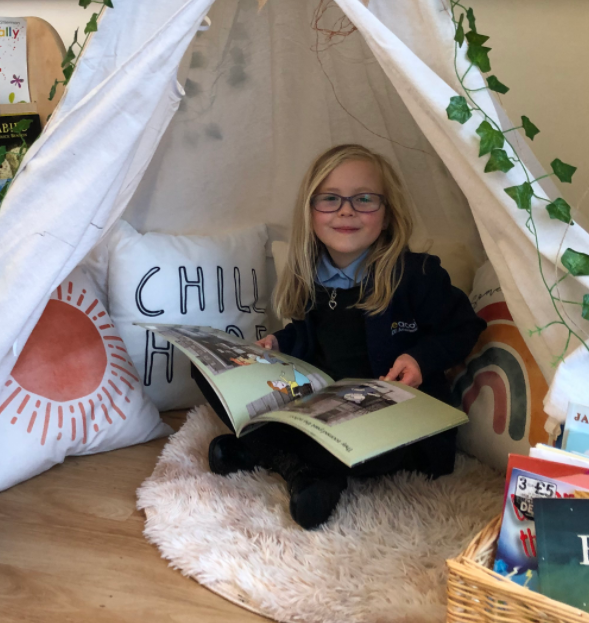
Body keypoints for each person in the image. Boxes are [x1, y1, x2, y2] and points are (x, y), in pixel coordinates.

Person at [199, 144, 485, 529]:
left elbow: (464, 327)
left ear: (387, 216)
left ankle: (277, 459)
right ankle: (298, 468)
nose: (346, 210)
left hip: (390, 418)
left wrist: (421, 358)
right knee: (209, 373)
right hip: (325, 403)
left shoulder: (416, 275)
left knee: (375, 455)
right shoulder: (313, 275)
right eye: (330, 199)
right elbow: (311, 332)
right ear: (312, 214)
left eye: (364, 199)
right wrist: (280, 343)